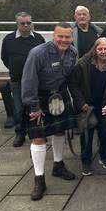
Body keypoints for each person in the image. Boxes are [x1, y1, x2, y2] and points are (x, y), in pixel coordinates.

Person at [21, 23, 77, 201]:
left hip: (59, 94)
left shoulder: (73, 53)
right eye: (60, 36)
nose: (64, 40)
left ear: (71, 38)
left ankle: (58, 165)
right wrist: (34, 107)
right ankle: (39, 179)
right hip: (39, 97)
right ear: (54, 36)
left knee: (60, 130)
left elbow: (68, 77)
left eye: (67, 37)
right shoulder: (38, 53)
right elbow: (28, 81)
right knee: (38, 137)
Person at [69, 38, 106, 176]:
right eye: (100, 49)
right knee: (87, 134)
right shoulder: (82, 64)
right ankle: (86, 161)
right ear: (95, 49)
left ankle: (104, 156)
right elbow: (74, 85)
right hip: (88, 106)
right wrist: (81, 104)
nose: (103, 52)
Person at [1, 12, 45, 147]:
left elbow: (43, 58)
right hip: (17, 81)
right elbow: (5, 59)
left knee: (36, 108)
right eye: (23, 23)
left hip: (36, 82)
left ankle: (37, 133)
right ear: (17, 24)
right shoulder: (8, 39)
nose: (26, 26)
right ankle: (20, 133)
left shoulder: (38, 38)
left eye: (28, 23)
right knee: (19, 109)